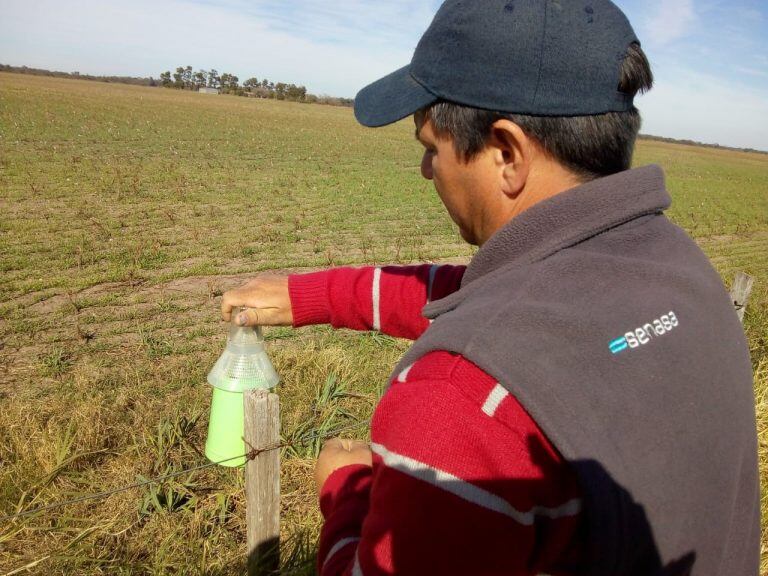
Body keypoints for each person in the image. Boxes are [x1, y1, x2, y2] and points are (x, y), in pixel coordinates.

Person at [222, 1, 760, 574]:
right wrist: (313, 297)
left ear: (506, 154)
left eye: (431, 148)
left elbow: (495, 321)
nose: (428, 170)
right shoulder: (679, 268)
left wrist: (348, 493)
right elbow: (484, 298)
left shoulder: (462, 400)